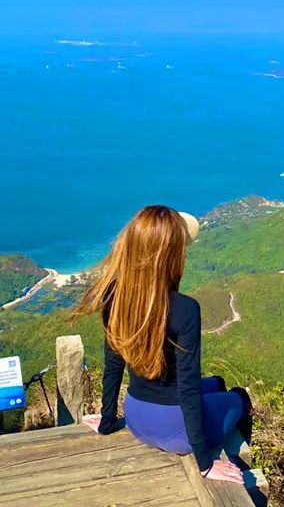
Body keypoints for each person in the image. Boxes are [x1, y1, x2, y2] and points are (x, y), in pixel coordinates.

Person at [71, 205, 250, 483]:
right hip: (175, 429)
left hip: (136, 417)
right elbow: (187, 389)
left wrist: (107, 421)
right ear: (171, 256)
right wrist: (205, 463)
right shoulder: (185, 309)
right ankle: (243, 472)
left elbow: (113, 366)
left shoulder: (115, 296)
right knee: (240, 397)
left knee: (216, 383)